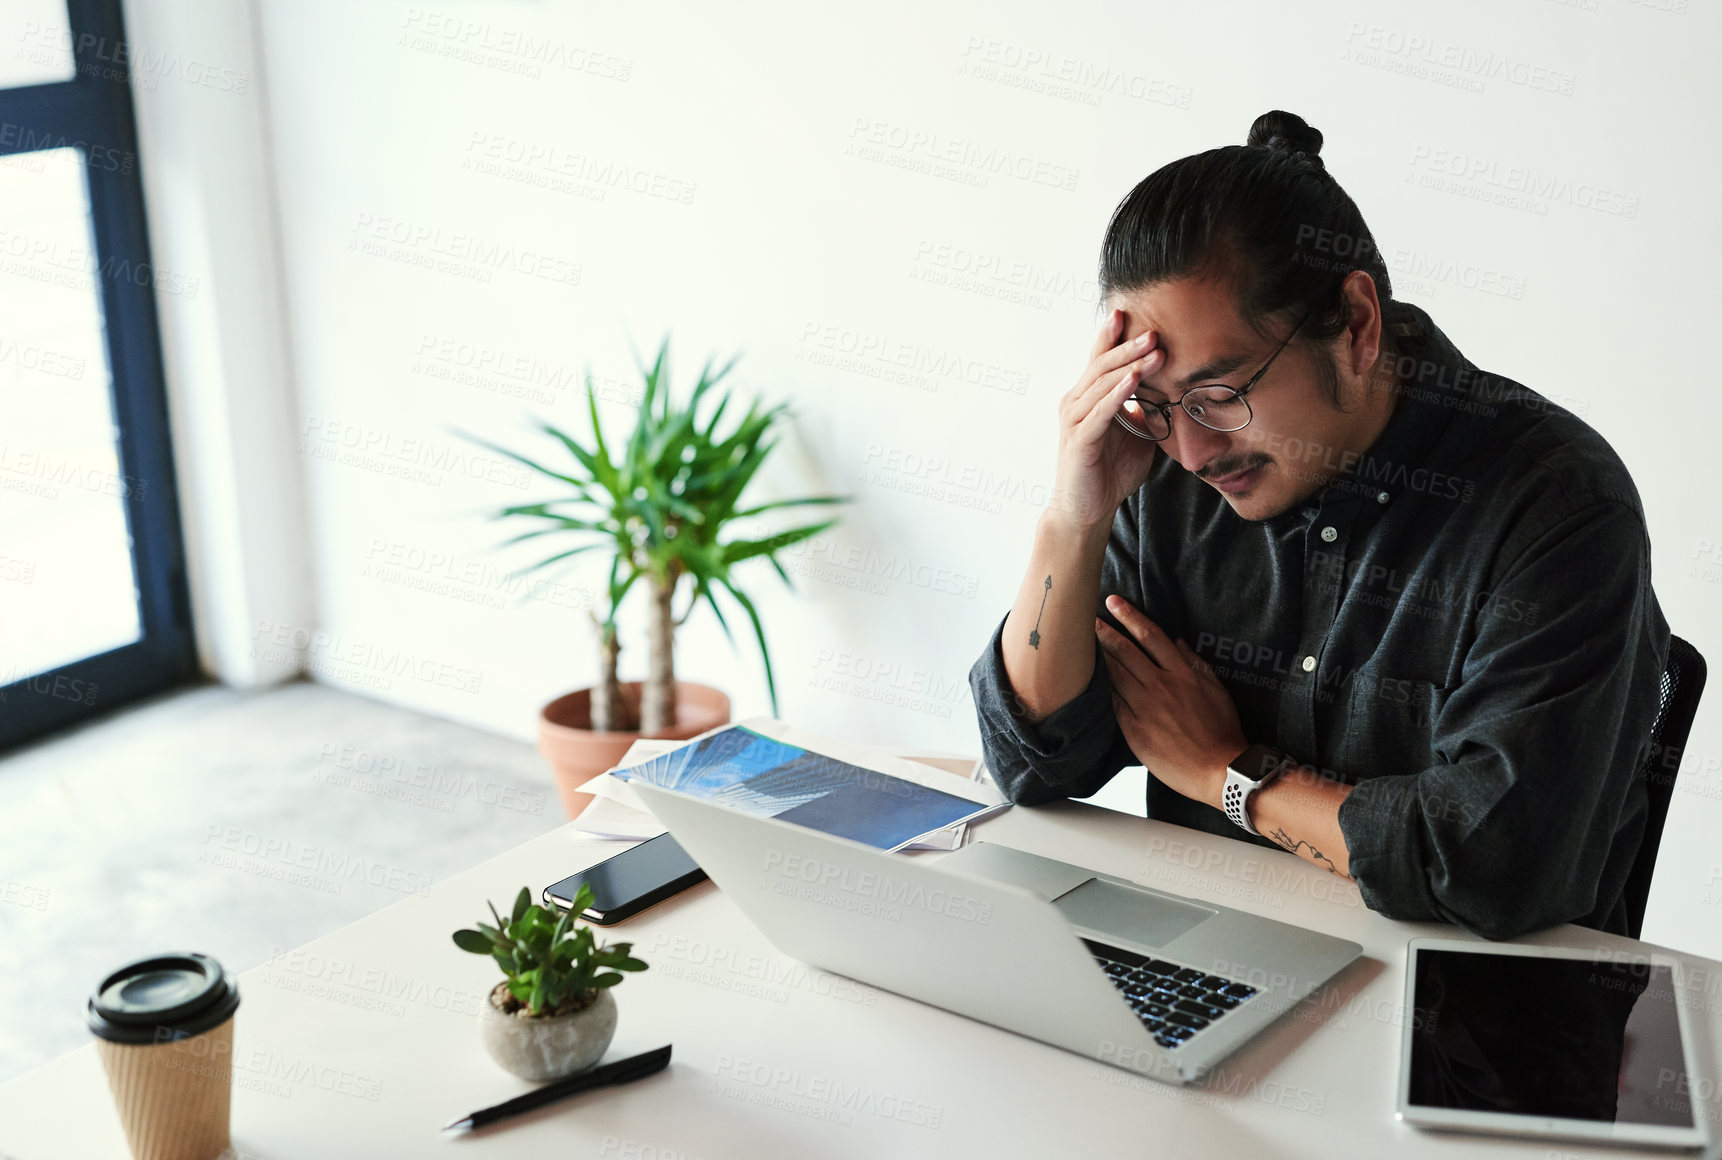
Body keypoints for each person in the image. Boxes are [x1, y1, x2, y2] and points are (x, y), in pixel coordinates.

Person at [968, 109, 1670, 941]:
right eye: (1158, 405)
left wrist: (1228, 773)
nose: (1192, 450)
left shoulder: (1556, 506)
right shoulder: (1162, 473)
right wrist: (1073, 518)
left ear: (1357, 326)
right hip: (1208, 963)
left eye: (1221, 395)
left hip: (1460, 1032)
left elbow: (1491, 869)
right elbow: (1035, 762)